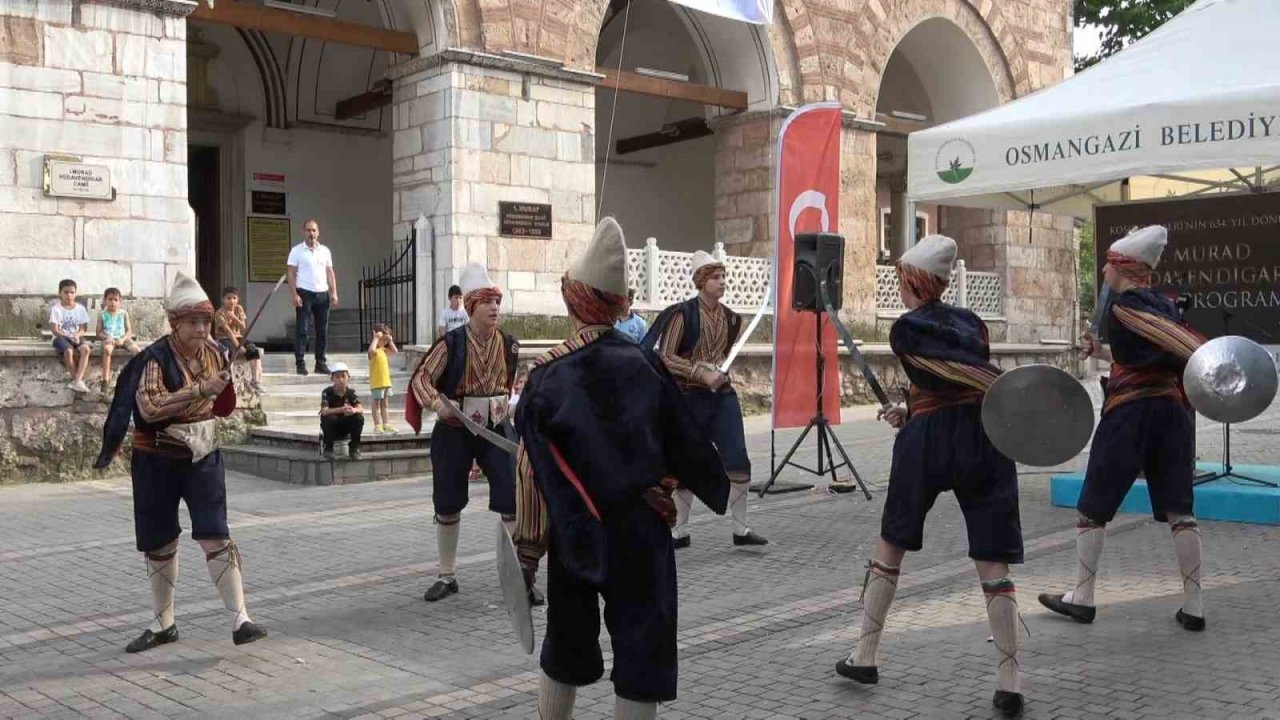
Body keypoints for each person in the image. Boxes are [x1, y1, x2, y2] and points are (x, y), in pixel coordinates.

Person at [513, 217, 730, 720]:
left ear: (573, 300)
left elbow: (532, 474)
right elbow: (682, 441)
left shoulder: (547, 376)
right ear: (616, 304)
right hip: (642, 531)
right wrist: (667, 489)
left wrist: (525, 555)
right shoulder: (646, 365)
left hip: (576, 533)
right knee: (641, 652)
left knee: (565, 647)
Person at [832, 235, 1025, 718]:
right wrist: (911, 406)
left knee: (891, 542)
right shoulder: (973, 322)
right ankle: (1009, 679)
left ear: (912, 281)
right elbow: (957, 382)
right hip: (984, 433)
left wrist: (920, 414)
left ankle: (866, 655)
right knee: (992, 557)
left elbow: (940, 377)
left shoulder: (907, 328)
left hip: (931, 442)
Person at [1040, 225, 1208, 634]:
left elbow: (1140, 360)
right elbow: (1149, 355)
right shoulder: (1167, 310)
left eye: (1109, 265)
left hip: (1130, 415)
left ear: (1125, 268)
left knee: (1093, 507)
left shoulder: (1123, 308)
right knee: (1180, 511)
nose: (1103, 273)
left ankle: (1083, 596)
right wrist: (1101, 352)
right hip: (1172, 414)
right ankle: (1195, 604)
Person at [94, 271, 268, 654]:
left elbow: (222, 407)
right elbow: (150, 407)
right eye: (193, 322)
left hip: (203, 456)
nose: (202, 329)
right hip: (156, 458)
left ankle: (241, 618)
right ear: (174, 323)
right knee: (159, 541)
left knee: (215, 533)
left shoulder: (217, 352)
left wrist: (224, 385)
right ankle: (163, 624)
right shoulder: (153, 360)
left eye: (206, 322)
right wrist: (199, 389)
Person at [407, 264, 522, 603]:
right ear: (471, 306)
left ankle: (518, 578)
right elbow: (420, 379)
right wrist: (436, 405)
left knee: (512, 495)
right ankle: (447, 575)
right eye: (487, 301)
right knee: (447, 499)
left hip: (497, 430)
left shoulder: (509, 344)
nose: (494, 308)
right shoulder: (451, 344)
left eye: (497, 301)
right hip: (455, 429)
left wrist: (512, 403)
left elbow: (512, 385)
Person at [641, 251, 767, 548]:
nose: (722, 282)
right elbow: (666, 356)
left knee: (738, 460)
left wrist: (718, 373)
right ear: (701, 281)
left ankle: (741, 528)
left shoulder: (732, 318)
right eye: (715, 277)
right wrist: (700, 372)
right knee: (686, 463)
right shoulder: (682, 315)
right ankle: (679, 532)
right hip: (687, 399)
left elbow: (723, 356)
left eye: (723, 276)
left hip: (721, 397)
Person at [286, 219, 337, 376]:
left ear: (318, 232)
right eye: (308, 230)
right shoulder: (296, 251)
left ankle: (320, 363)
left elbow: (330, 272)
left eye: (314, 230)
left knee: (322, 331)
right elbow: (291, 273)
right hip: (304, 293)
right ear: (304, 232)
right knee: (302, 330)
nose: (311, 233)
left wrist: (334, 292)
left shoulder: (325, 251)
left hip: (322, 294)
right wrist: (294, 294)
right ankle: (300, 363)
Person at [214, 287, 263, 392]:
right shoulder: (219, 313)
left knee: (253, 350)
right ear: (223, 299)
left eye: (234, 298)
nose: (232, 301)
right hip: (224, 338)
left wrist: (234, 317)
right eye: (228, 298)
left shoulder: (239, 309)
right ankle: (229, 383)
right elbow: (228, 331)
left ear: (237, 299)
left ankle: (255, 381)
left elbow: (243, 327)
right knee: (231, 352)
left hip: (239, 337)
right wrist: (238, 346)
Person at [51, 278, 92, 393]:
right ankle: (76, 379)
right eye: (66, 292)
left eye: (72, 292)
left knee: (86, 349)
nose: (69, 295)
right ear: (60, 293)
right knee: (69, 351)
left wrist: (78, 335)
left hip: (75, 336)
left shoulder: (80, 309)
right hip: (61, 337)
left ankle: (77, 380)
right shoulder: (56, 309)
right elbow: (54, 330)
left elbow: (83, 328)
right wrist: (67, 336)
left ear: (76, 293)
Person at [97, 287, 140, 392]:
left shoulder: (123, 313)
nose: (113, 302)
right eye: (110, 299)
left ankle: (137, 376)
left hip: (123, 338)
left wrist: (123, 339)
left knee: (137, 350)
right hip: (109, 339)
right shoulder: (102, 314)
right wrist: (107, 337)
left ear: (120, 301)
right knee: (107, 350)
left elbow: (129, 331)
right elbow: (98, 333)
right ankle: (105, 380)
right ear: (105, 300)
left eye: (115, 300)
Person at [320, 362, 364, 460]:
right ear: (332, 378)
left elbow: (361, 408)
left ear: (348, 377)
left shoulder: (351, 393)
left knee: (358, 418)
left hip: (345, 425)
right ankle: (328, 448)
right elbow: (324, 411)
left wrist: (353, 410)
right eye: (337, 377)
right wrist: (341, 409)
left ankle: (354, 448)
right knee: (329, 418)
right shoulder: (327, 392)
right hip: (331, 426)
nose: (341, 380)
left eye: (343, 376)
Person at [368, 323, 399, 433]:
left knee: (385, 404)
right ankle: (377, 425)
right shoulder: (374, 351)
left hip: (386, 382)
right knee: (376, 404)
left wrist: (390, 341)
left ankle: (386, 423)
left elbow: (395, 351)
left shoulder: (383, 350)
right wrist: (376, 338)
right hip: (377, 383)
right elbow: (371, 350)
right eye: (383, 339)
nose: (385, 342)